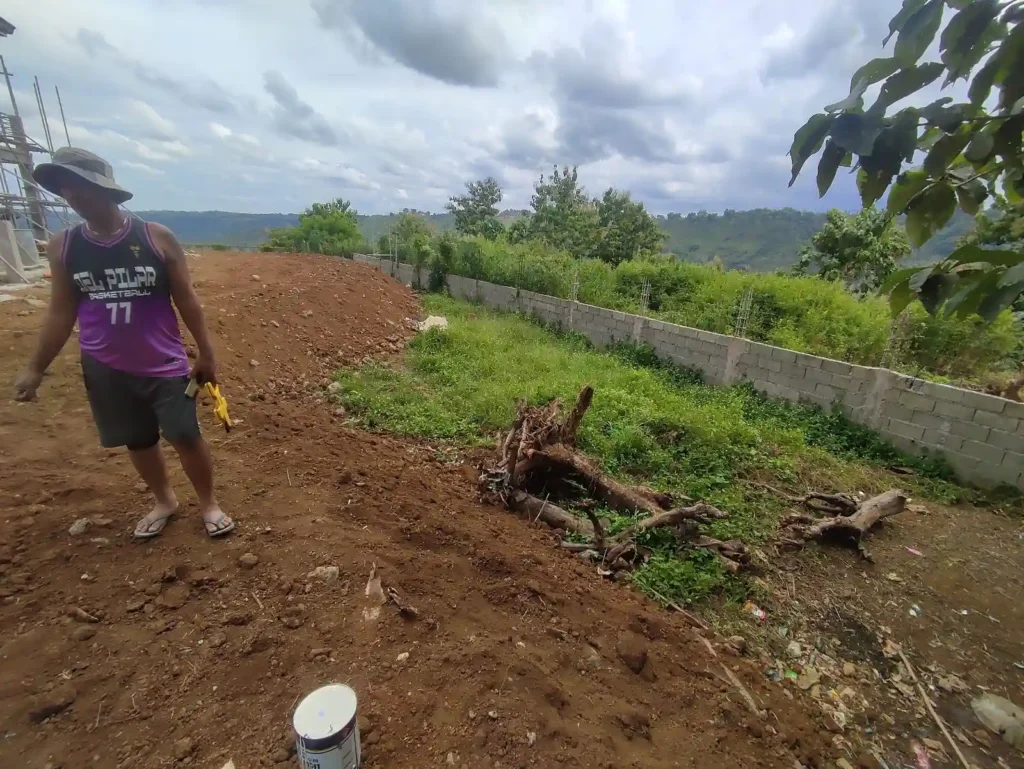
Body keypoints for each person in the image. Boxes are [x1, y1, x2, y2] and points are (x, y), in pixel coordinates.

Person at [13, 147, 234, 539]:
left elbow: (186, 298)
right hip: (105, 365)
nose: (73, 196)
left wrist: (206, 351)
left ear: (106, 190)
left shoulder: (154, 238)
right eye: (66, 189)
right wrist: (34, 367)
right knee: (138, 439)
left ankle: (209, 503)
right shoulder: (64, 247)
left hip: (164, 362)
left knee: (184, 434)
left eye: (80, 186)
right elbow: (61, 311)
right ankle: (164, 500)